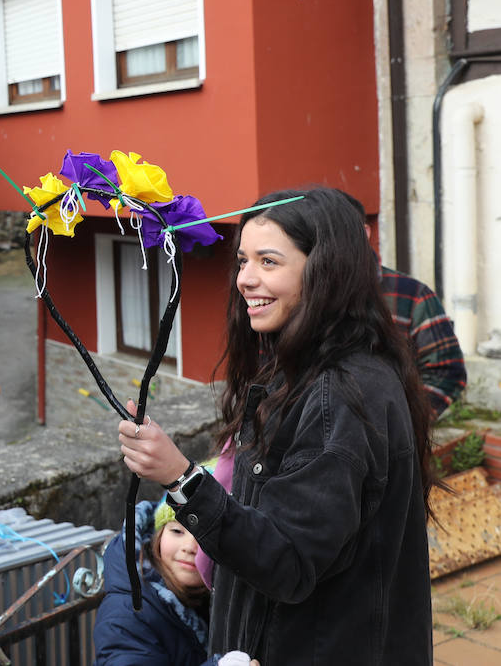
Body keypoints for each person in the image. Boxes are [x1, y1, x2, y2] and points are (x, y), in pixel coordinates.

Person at [114, 187, 434, 664]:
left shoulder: (339, 394)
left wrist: (182, 479)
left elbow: (288, 561)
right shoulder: (305, 369)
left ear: (325, 272)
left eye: (268, 262)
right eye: (242, 260)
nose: (245, 279)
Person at [342, 191, 467, 420]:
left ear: (364, 232)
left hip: (389, 447)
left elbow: (447, 372)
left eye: (338, 232)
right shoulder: (297, 293)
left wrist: (402, 425)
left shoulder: (411, 295)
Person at [94, 499, 211, 666]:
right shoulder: (128, 614)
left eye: (204, 536)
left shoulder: (206, 596)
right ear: (158, 535)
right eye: (177, 531)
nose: (189, 546)